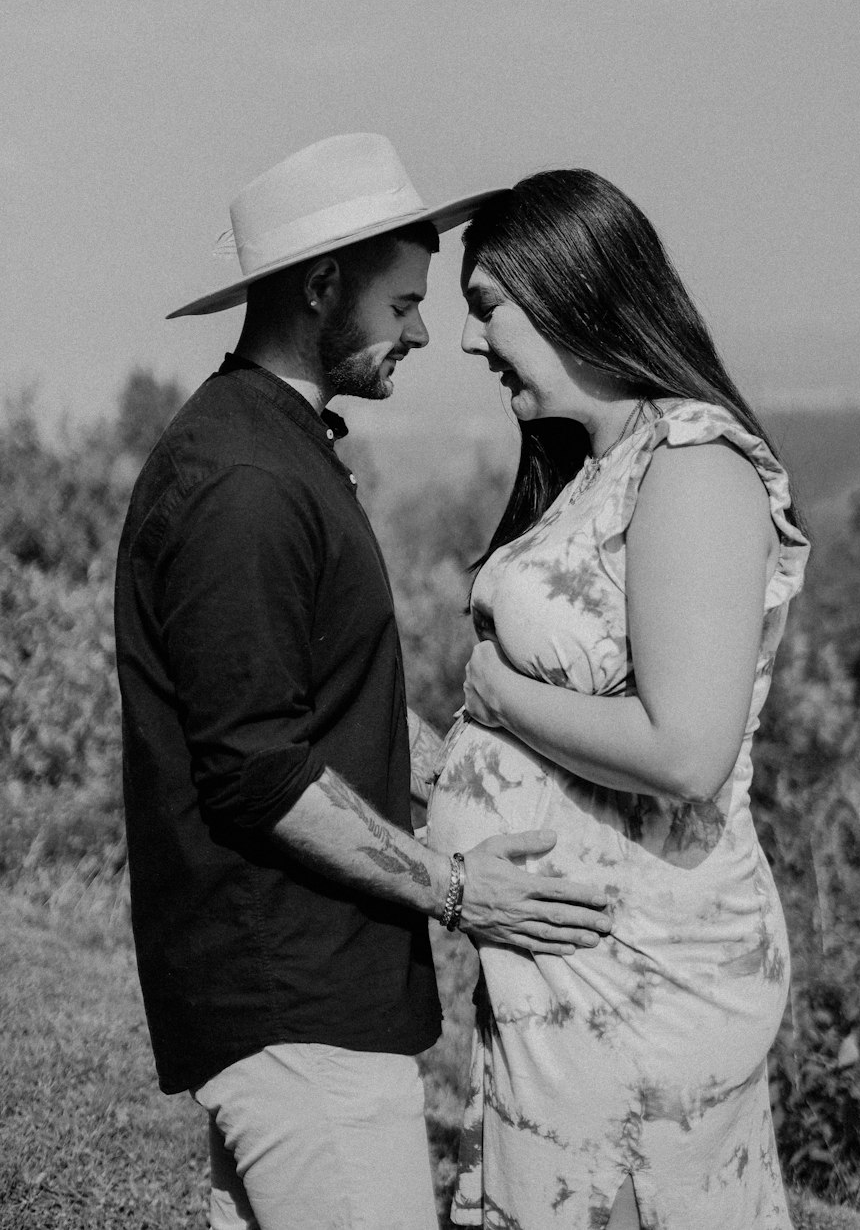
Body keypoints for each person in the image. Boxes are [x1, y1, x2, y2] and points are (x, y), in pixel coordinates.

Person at [114, 134, 611, 1230]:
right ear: (321, 285)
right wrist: (456, 889)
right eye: (401, 304)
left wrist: (499, 787)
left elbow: (339, 710)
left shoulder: (275, 449)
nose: (425, 332)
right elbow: (258, 771)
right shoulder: (243, 480)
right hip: (296, 1015)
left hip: (300, 1002)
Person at [424, 168, 810, 1230]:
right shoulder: (597, 464)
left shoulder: (692, 468)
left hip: (649, 975)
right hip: (571, 967)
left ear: (570, 293)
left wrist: (496, 697)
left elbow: (686, 748)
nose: (470, 341)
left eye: (486, 306)